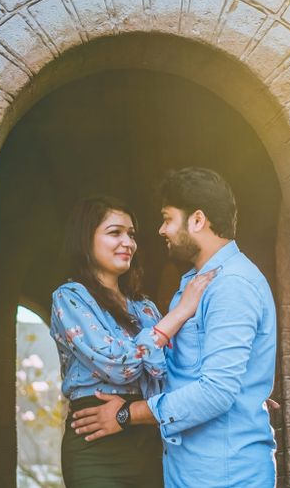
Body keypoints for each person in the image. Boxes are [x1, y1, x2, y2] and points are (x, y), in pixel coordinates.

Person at [69, 168, 278, 488]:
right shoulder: (194, 286)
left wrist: (127, 415)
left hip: (225, 474)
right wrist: (249, 390)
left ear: (197, 220)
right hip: (191, 471)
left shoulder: (231, 285)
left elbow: (217, 392)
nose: (161, 230)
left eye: (167, 218)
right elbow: (188, 374)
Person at [49, 194, 217, 488]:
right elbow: (116, 365)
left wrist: (227, 388)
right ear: (85, 239)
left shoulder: (146, 308)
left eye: (131, 234)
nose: (128, 242)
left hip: (148, 438)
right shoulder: (70, 297)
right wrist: (179, 314)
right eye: (115, 233)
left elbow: (172, 371)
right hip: (95, 446)